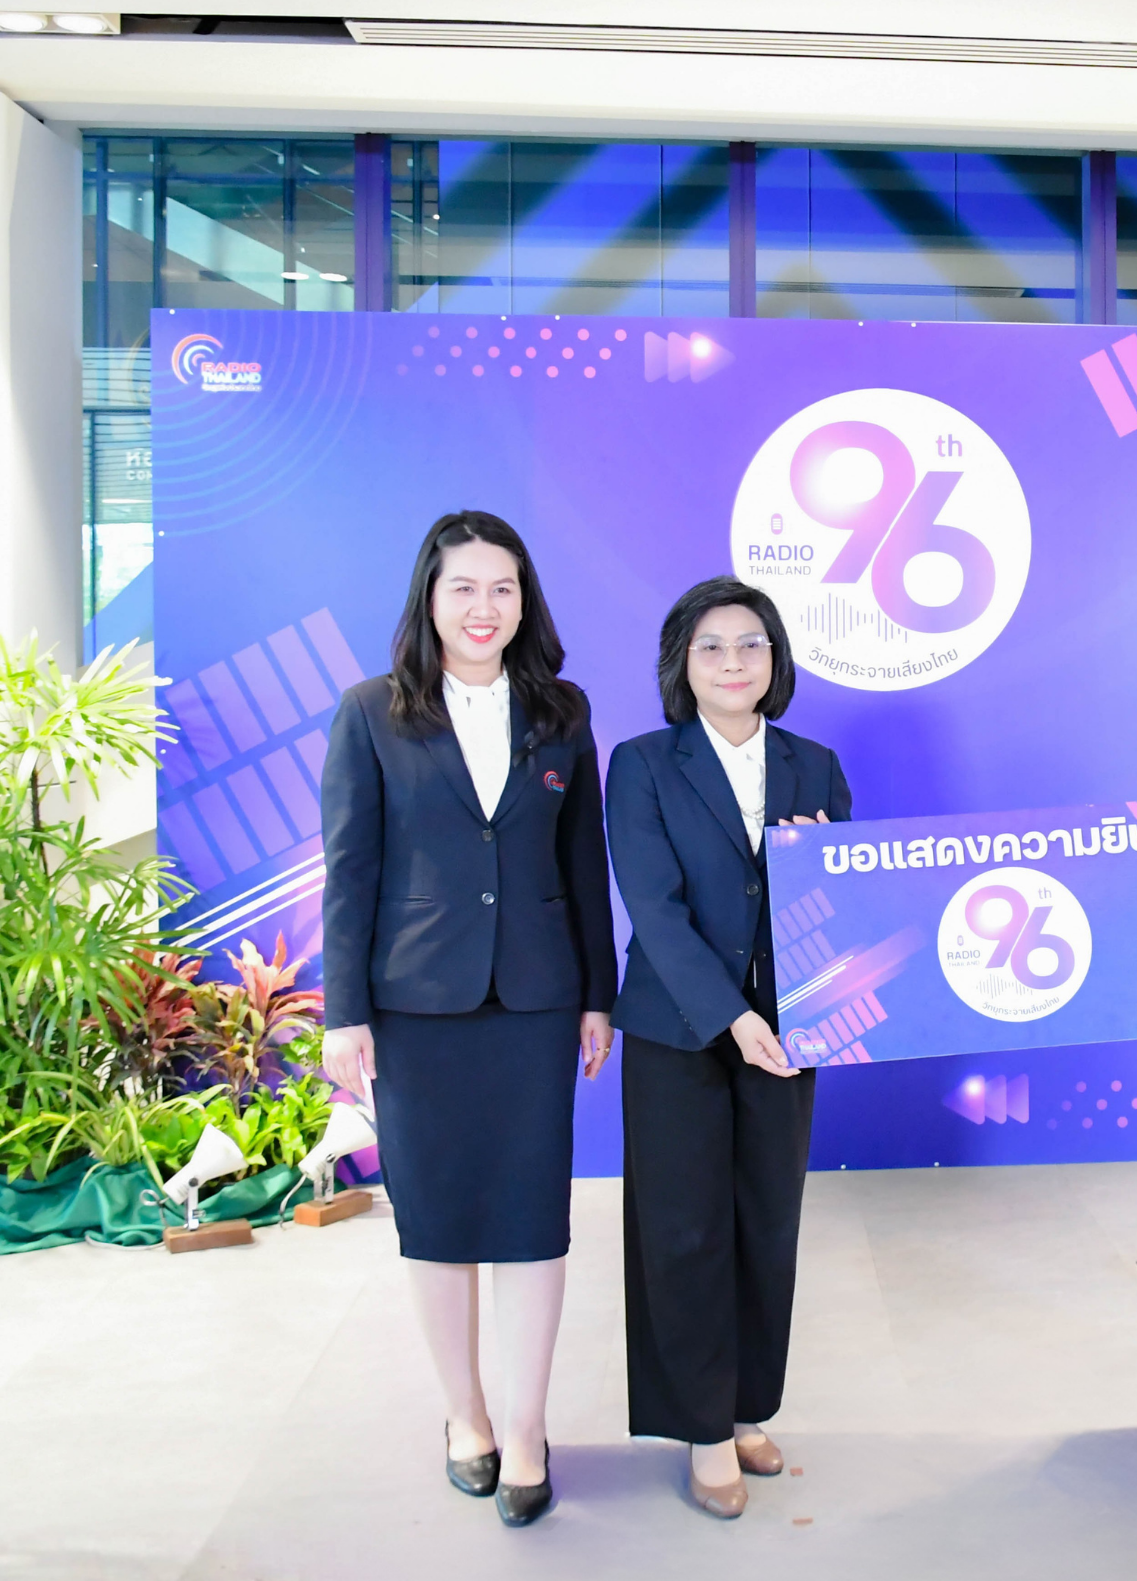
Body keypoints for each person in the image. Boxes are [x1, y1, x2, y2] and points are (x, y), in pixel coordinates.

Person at [319, 510, 617, 1528]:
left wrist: (597, 993)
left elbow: (584, 862)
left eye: (503, 588)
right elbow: (350, 872)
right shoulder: (371, 713)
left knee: (533, 1219)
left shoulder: (562, 712)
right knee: (438, 1220)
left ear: (523, 601)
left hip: (536, 1001)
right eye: (464, 588)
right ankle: (467, 1415)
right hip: (417, 1007)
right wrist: (345, 1013)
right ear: (430, 598)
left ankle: (527, 1426)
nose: (484, 607)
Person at [605, 576, 852, 1520]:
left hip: (792, 1027)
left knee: (766, 1223)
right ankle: (703, 1428)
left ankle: (747, 1407)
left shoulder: (814, 765)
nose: (734, 661)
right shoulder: (643, 763)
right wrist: (731, 1017)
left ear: (775, 659)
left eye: (752, 643)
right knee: (685, 1230)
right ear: (683, 662)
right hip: (680, 1028)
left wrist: (822, 867)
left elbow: (845, 902)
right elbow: (655, 909)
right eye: (711, 645)